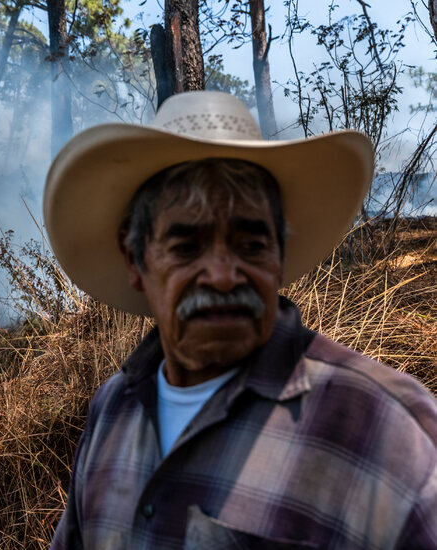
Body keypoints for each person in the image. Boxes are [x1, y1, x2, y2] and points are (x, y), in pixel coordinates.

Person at [44, 91, 437, 548]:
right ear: (135, 260)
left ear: (279, 255)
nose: (224, 276)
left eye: (251, 245)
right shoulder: (113, 409)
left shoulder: (386, 426)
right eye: (187, 247)